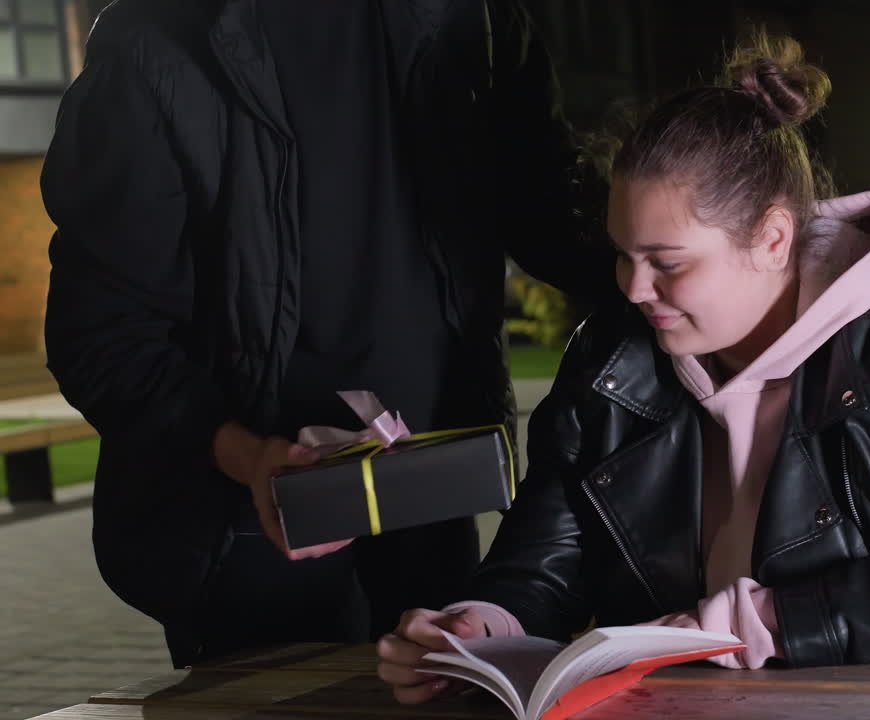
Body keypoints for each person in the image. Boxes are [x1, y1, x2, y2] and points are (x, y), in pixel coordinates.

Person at [375, 34, 870, 700]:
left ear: (772, 238)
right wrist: (478, 631)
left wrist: (756, 622)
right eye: (624, 255)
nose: (634, 288)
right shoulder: (610, 358)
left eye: (666, 262)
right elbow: (544, 566)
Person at [41, 0, 611, 668]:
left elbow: (558, 218)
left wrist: (712, 207)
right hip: (254, 525)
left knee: (433, 697)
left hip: (432, 494)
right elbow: (102, 333)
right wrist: (250, 457)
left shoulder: (475, 16)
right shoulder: (158, 40)